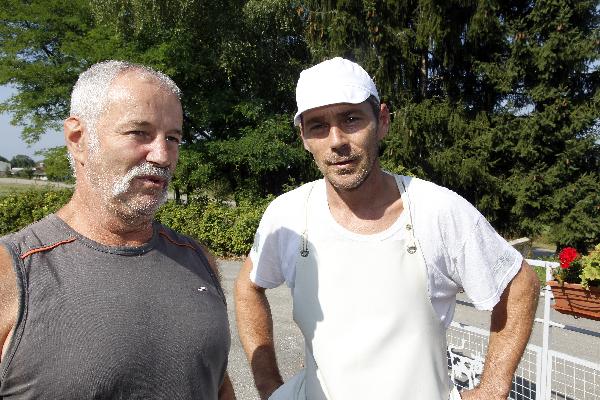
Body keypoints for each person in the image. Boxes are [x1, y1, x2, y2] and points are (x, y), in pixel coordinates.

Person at [235, 57, 540, 400]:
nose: (336, 141)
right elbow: (248, 285)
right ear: (304, 137)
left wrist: (493, 388)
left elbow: (519, 283)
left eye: (351, 119)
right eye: (318, 126)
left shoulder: (437, 210)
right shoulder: (288, 215)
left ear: (382, 121)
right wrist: (268, 386)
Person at [0, 61, 235, 399]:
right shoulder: (14, 272)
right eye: (140, 132)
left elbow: (218, 383)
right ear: (78, 138)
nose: (163, 155)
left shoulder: (198, 260)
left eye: (173, 137)